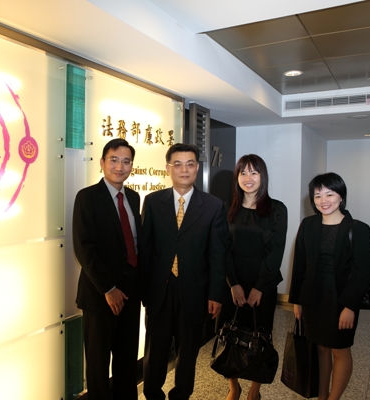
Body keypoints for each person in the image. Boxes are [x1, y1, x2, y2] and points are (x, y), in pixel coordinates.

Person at [139, 143, 228, 400]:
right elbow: (146, 250)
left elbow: (217, 254)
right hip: (159, 290)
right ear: (168, 168)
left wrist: (215, 294)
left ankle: (181, 395)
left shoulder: (213, 206)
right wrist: (144, 289)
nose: (184, 169)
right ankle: (152, 393)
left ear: (197, 168)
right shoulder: (154, 202)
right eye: (177, 164)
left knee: (187, 352)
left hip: (195, 291)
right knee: (155, 350)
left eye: (190, 164)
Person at [289, 173, 370, 400]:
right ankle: (322, 395)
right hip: (313, 298)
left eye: (329, 194)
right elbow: (299, 266)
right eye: (317, 195)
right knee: (320, 348)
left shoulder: (358, 229)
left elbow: (362, 274)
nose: (323, 200)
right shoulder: (308, 225)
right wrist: (297, 300)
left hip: (340, 299)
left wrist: (350, 307)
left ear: (341, 196)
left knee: (339, 350)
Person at [73, 138, 141, 400]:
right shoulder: (88, 197)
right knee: (99, 367)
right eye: (114, 160)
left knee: (126, 361)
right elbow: (84, 248)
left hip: (130, 294)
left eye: (126, 161)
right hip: (100, 296)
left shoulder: (133, 198)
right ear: (102, 162)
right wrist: (109, 288)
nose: (119, 166)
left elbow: (134, 245)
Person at [216, 154, 288, 400]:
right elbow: (223, 249)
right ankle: (233, 385)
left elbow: (276, 251)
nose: (248, 178)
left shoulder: (277, 209)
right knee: (231, 332)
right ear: (237, 177)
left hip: (263, 283)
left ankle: (254, 388)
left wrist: (259, 287)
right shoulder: (227, 209)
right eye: (243, 173)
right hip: (233, 282)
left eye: (254, 173)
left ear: (262, 177)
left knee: (261, 334)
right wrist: (233, 283)